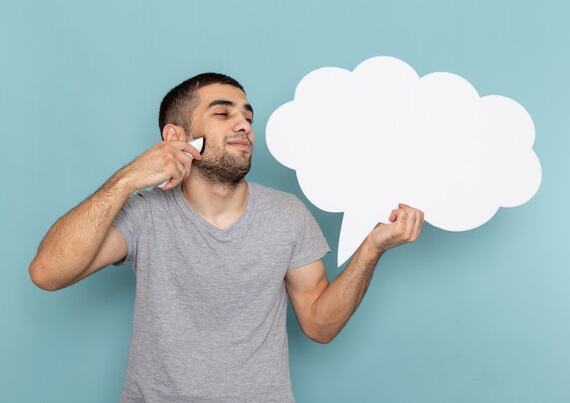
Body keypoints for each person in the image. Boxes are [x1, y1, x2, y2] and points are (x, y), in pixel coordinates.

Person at [29, 73, 424, 403]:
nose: (244, 125)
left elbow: (320, 327)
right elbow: (48, 273)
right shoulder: (145, 214)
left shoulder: (287, 215)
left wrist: (372, 248)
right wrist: (128, 179)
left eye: (248, 117)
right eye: (223, 113)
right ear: (176, 135)